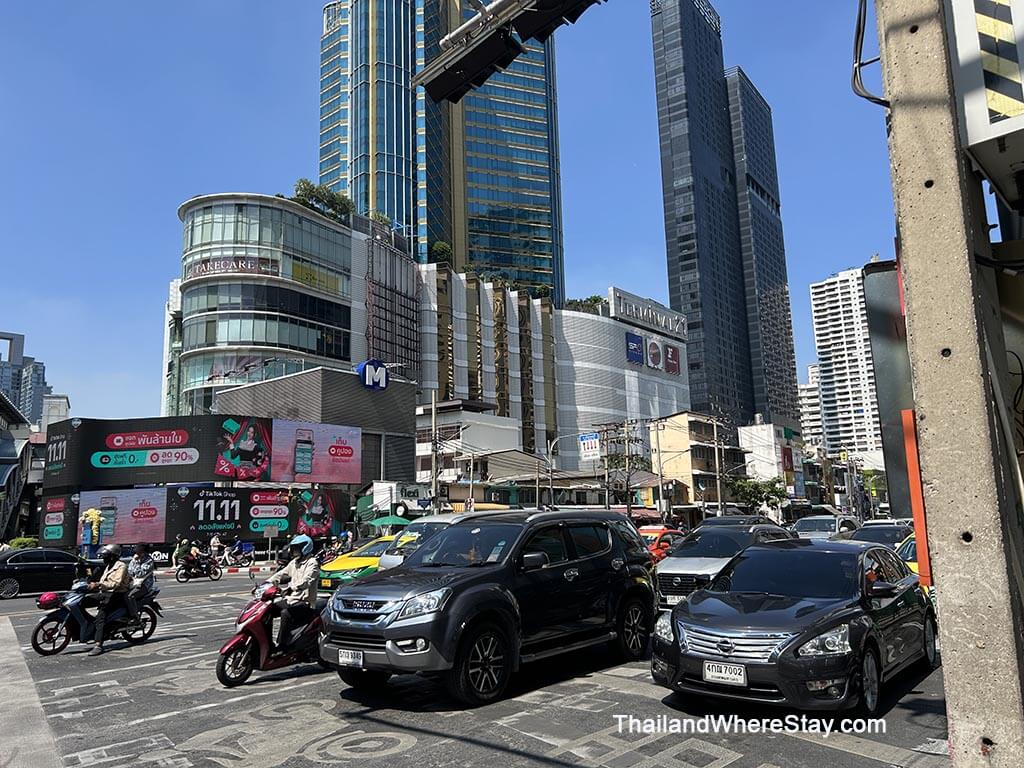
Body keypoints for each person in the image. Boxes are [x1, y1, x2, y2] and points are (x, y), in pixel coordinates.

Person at [269, 534, 319, 653]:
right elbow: (281, 574)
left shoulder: (312, 563)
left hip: (305, 603)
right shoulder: (294, 562)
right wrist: (267, 583)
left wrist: (291, 588)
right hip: (291, 600)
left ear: (305, 548)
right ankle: (268, 643)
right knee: (268, 610)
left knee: (286, 614)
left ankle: (283, 645)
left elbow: (307, 580)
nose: (293, 551)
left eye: (296, 548)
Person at [88, 544, 129, 656]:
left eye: (105, 556)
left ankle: (98, 644)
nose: (103, 558)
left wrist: (99, 584)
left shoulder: (121, 566)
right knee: (84, 600)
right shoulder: (109, 566)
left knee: (101, 616)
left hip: (117, 594)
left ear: (112, 556)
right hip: (106, 593)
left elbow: (116, 583)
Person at [126, 543, 156, 627]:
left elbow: (140, 573)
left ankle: (135, 618)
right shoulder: (135, 558)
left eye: (139, 551)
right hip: (133, 583)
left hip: (144, 585)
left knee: (130, 596)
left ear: (143, 552)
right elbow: (130, 571)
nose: (137, 553)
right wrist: (135, 561)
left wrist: (136, 562)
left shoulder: (148, 561)